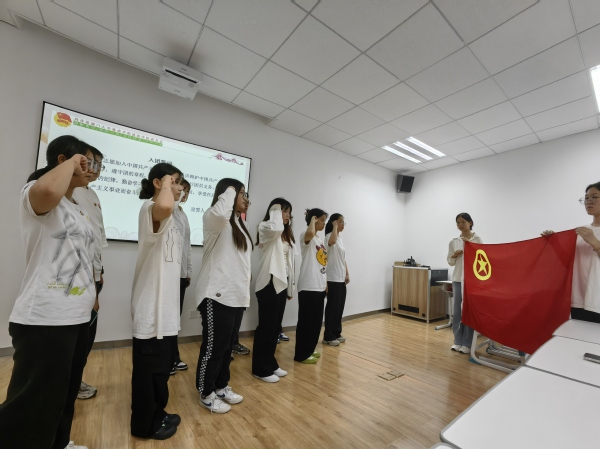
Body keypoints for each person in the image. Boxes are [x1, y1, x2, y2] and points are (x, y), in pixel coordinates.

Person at [0, 135, 95, 449]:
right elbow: (49, 190)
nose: (91, 168)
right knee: (32, 404)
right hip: (45, 318)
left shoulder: (77, 207)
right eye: (86, 160)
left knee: (63, 394)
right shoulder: (36, 191)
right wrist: (72, 161)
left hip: (76, 315)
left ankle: (59, 443)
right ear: (62, 160)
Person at [130, 163, 184, 440]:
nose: (179, 187)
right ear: (158, 183)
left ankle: (158, 413)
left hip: (166, 309)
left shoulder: (173, 217)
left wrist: (171, 188)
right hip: (151, 308)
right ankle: (144, 425)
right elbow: (163, 205)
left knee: (161, 370)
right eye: (175, 181)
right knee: (148, 372)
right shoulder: (149, 208)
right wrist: (166, 185)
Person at [195, 178, 251, 413]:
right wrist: (230, 188)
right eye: (242, 193)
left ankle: (220, 386)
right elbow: (220, 214)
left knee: (227, 347)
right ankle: (206, 392)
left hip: (235, 296)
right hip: (216, 295)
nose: (246, 199)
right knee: (214, 347)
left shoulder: (238, 224)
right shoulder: (214, 218)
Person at [73, 145, 108, 400]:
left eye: (99, 165)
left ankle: (74, 379)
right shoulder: (71, 191)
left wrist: (99, 272)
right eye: (91, 162)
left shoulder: (92, 193)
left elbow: (96, 240)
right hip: (78, 278)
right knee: (77, 337)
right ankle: (69, 382)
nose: (95, 169)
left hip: (94, 274)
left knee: (86, 336)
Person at [542, 181, 600, 323]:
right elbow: (569, 262)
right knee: (579, 336)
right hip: (579, 298)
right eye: (586, 198)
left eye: (594, 197)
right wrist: (555, 244)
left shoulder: (587, 234)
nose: (589, 201)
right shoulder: (581, 231)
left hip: (596, 299)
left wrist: (595, 243)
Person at [252, 198, 296, 382]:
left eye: (289, 212)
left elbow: (289, 264)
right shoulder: (265, 227)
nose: (287, 216)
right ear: (274, 211)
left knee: (275, 327)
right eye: (284, 211)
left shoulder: (285, 234)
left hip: (281, 283)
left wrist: (290, 288)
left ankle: (270, 363)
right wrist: (276, 210)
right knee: (266, 327)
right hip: (268, 283)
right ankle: (260, 369)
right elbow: (275, 228)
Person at [294, 208, 328, 364]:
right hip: (308, 286)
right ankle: (301, 354)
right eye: (322, 220)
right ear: (314, 219)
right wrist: (312, 220)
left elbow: (323, 263)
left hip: (319, 285)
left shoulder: (319, 239)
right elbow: (309, 233)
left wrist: (325, 283)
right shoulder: (305, 235)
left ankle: (309, 349)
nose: (324, 223)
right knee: (306, 322)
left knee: (316, 322)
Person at [447, 213, 482, 354]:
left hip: (471, 281)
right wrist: (455, 255)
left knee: (468, 311)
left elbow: (481, 259)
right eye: (458, 223)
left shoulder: (477, 239)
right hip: (457, 279)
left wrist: (470, 249)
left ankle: (467, 343)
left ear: (470, 223)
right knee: (457, 312)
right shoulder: (453, 241)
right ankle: (457, 341)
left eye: (463, 222)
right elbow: (450, 261)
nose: (460, 225)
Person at [171, 178, 192, 375]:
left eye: (187, 191)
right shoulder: (168, 211)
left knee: (175, 318)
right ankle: (168, 359)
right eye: (182, 189)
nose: (184, 193)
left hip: (181, 274)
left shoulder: (183, 214)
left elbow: (187, 247)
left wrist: (188, 271)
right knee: (168, 318)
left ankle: (172, 357)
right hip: (169, 274)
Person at [323, 214, 350, 346]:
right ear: (334, 222)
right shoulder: (329, 237)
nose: (343, 224)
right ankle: (328, 336)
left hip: (341, 278)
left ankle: (337, 333)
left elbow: (342, 258)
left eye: (344, 222)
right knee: (332, 308)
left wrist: (347, 273)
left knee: (339, 307)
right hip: (332, 278)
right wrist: (334, 227)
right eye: (340, 222)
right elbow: (331, 242)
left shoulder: (340, 239)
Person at [231, 196, 252, 359]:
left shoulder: (243, 223)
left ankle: (233, 343)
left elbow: (245, 254)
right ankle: (226, 347)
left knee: (238, 314)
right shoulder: (222, 221)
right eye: (242, 195)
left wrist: (248, 272)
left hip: (241, 278)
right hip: (229, 279)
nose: (246, 201)